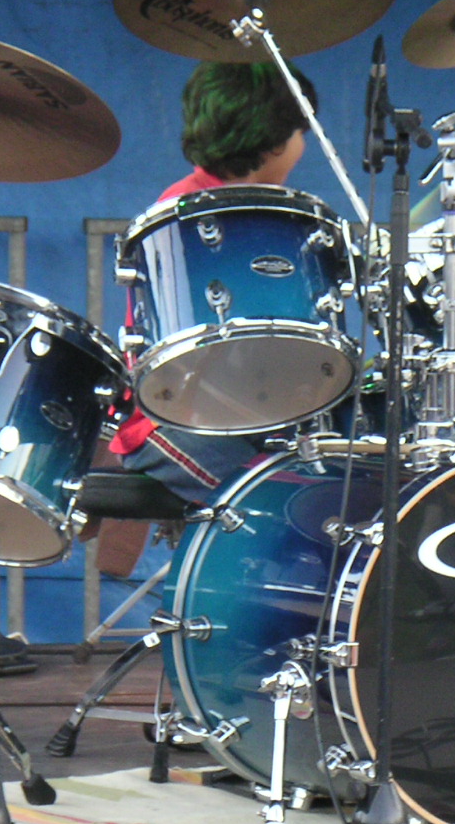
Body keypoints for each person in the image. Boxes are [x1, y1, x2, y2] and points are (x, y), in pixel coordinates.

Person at [109, 59, 317, 502]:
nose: (304, 145)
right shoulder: (186, 209)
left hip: (251, 413)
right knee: (279, 494)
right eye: (301, 132)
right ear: (273, 139)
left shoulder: (267, 209)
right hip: (173, 420)